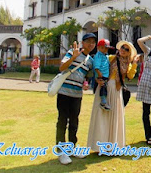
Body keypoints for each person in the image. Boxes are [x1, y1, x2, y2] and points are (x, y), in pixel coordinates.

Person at [87, 40, 137, 152]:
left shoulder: (128, 63)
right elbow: (98, 66)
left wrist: (134, 65)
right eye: (122, 48)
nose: (123, 50)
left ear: (129, 53)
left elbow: (130, 76)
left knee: (114, 114)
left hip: (116, 89)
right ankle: (100, 145)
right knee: (102, 115)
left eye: (126, 49)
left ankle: (113, 145)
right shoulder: (111, 58)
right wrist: (97, 78)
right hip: (105, 86)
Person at [56, 33, 95, 165]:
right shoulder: (72, 52)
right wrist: (73, 57)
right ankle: (61, 152)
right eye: (88, 41)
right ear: (82, 42)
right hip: (64, 92)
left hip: (77, 95)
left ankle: (72, 149)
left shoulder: (90, 60)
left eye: (93, 42)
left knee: (74, 122)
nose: (91, 44)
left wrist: (86, 84)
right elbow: (61, 67)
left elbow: (87, 77)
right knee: (62, 121)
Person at [93, 39, 113, 110]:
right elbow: (96, 66)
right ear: (98, 47)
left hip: (106, 75)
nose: (105, 49)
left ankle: (105, 101)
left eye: (106, 48)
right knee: (103, 87)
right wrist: (99, 73)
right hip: (101, 75)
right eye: (102, 47)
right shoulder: (98, 55)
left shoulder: (106, 56)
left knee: (105, 87)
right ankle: (103, 101)